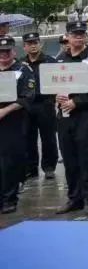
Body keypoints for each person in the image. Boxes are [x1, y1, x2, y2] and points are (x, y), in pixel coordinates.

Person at [55, 21, 88, 215]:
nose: (78, 37)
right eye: (74, 34)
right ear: (67, 37)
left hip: (86, 115)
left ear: (86, 36)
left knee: (87, 157)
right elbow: (51, 85)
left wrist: (76, 102)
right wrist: (55, 96)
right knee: (69, 157)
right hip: (64, 116)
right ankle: (74, 197)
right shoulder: (60, 59)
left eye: (81, 34)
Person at [0, 36, 35, 213]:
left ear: (14, 51)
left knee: (10, 162)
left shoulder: (23, 70)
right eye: (1, 51)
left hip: (13, 121)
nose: (4, 55)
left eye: (7, 51)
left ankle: (9, 198)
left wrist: (5, 110)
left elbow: (27, 96)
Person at [19, 32, 58, 181]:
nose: (33, 46)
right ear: (24, 47)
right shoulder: (20, 64)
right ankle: (31, 168)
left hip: (45, 103)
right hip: (26, 105)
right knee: (27, 137)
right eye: (29, 43)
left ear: (40, 44)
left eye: (35, 42)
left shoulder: (50, 62)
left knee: (48, 137)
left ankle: (49, 167)